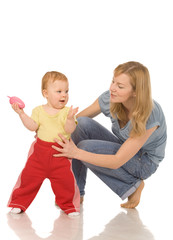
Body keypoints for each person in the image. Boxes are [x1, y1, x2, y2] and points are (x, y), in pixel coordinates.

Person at [52, 61, 167, 209]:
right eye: (113, 81)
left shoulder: (149, 114)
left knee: (84, 148)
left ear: (136, 92)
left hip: (144, 161)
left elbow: (117, 160)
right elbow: (75, 120)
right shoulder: (112, 98)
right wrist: (51, 131)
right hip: (124, 148)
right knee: (81, 124)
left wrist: (75, 153)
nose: (112, 88)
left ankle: (132, 185)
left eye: (120, 86)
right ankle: (76, 192)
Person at [8, 71, 80, 216]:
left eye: (66, 91)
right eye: (59, 91)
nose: (64, 95)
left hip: (60, 154)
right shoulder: (38, 110)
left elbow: (69, 129)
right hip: (39, 154)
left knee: (65, 182)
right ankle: (19, 203)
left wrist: (71, 119)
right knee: (28, 178)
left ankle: (68, 205)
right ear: (45, 93)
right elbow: (32, 127)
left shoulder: (67, 112)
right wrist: (22, 114)